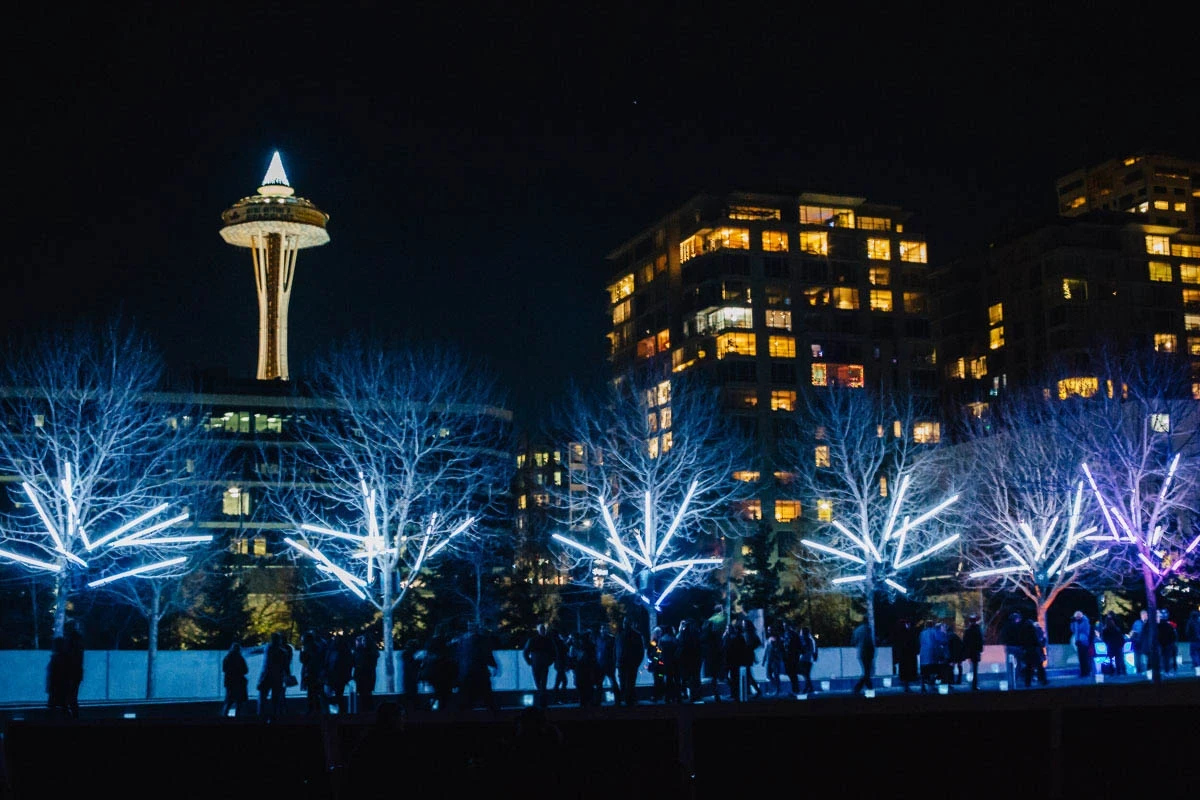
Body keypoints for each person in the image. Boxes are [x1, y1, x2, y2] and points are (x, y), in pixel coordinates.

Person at [456, 621, 499, 712]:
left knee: (466, 695)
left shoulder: (461, 640)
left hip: (466, 672)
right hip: (479, 670)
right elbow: (486, 654)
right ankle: (493, 713)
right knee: (486, 693)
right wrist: (494, 665)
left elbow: (459, 656)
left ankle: (464, 714)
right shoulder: (481, 639)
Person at [257, 631, 291, 721]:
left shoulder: (268, 648)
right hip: (278, 678)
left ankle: (261, 717)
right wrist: (288, 676)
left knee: (262, 698)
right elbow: (286, 667)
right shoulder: (283, 653)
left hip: (266, 677)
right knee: (275, 700)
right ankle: (274, 718)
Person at [522, 623, 558, 708]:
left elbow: (525, 652)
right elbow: (554, 652)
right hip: (539, 663)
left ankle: (542, 699)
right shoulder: (545, 640)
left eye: (544, 630)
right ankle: (542, 699)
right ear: (539, 630)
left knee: (541, 682)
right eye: (542, 629)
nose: (543, 631)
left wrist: (529, 661)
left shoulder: (536, 640)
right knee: (540, 682)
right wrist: (529, 661)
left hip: (538, 663)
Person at [616, 617, 645, 706]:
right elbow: (616, 649)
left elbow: (640, 651)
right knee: (625, 682)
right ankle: (628, 699)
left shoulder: (635, 635)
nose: (625, 624)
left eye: (627, 622)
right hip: (623, 663)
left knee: (629, 682)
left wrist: (637, 662)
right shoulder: (620, 635)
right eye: (625, 622)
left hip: (630, 663)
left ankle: (628, 700)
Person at [300, 630, 329, 715]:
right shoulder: (316, 647)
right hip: (315, 674)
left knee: (312, 692)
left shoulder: (309, 649)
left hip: (312, 674)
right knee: (315, 692)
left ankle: (313, 711)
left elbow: (303, 660)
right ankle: (317, 710)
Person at [325, 633, 355, 711]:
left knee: (334, 695)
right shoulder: (345, 652)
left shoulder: (332, 651)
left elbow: (327, 663)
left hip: (335, 677)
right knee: (338, 695)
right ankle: (340, 712)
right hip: (337, 677)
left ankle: (337, 711)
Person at [46, 636, 74, 718]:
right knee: (62, 705)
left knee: (54, 705)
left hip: (56, 686)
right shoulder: (64, 658)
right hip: (61, 686)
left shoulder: (57, 658)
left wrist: (50, 686)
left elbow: (53, 674)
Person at [918, 620, 949, 692]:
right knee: (933, 670)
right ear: (932, 625)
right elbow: (941, 640)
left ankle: (923, 686)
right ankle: (931, 685)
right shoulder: (935, 632)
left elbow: (919, 642)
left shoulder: (922, 633)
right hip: (932, 654)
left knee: (924, 671)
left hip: (923, 654)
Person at [352, 634, 379, 713]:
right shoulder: (370, 652)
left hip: (365, 676)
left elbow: (357, 663)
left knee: (365, 695)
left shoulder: (364, 652)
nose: (363, 642)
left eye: (364, 641)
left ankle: (367, 712)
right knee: (365, 695)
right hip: (366, 676)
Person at [221, 642, 249, 717]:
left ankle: (224, 716)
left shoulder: (227, 658)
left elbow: (224, 669)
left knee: (228, 701)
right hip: (240, 683)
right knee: (239, 702)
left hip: (230, 683)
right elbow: (246, 670)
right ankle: (237, 717)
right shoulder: (240, 658)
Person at [891, 618, 919, 692]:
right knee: (907, 670)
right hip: (907, 655)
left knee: (905, 670)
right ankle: (906, 685)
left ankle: (906, 685)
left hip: (905, 655)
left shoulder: (902, 633)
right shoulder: (906, 633)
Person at [63, 621, 84, 719]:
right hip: (76, 673)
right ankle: (75, 717)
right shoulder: (79, 641)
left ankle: (73, 718)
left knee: (70, 697)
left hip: (71, 673)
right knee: (73, 696)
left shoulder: (71, 641)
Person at [594, 623, 619, 704]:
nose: (603, 630)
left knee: (611, 682)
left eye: (604, 629)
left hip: (608, 664)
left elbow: (614, 651)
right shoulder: (600, 638)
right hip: (602, 664)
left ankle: (617, 699)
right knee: (601, 683)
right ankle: (598, 700)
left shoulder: (610, 639)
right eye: (602, 629)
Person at [1001, 612, 1025, 687]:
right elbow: (1020, 637)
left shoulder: (1006, 626)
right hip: (1017, 647)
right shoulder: (1018, 627)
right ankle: (1016, 677)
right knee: (1019, 663)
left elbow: (1003, 636)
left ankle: (1010, 677)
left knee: (1009, 663)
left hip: (1009, 647)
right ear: (1016, 619)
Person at [852, 619, 875, 694]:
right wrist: (872, 652)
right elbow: (869, 641)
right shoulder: (867, 629)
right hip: (867, 653)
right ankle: (861, 688)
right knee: (867, 672)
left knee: (866, 672)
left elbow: (853, 642)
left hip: (861, 653)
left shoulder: (857, 630)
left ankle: (865, 688)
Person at [762, 624, 785, 697]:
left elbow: (781, 650)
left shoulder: (778, 639)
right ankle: (777, 687)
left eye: (770, 630)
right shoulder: (768, 639)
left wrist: (776, 649)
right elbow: (766, 650)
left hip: (775, 660)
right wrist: (764, 660)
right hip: (769, 659)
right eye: (768, 630)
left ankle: (777, 689)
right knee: (768, 675)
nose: (769, 631)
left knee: (776, 674)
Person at [963, 614, 984, 691]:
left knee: (972, 668)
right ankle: (974, 685)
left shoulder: (968, 630)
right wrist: (980, 649)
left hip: (970, 651)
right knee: (975, 668)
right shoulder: (978, 629)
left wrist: (965, 652)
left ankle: (971, 683)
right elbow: (980, 640)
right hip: (975, 651)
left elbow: (965, 642)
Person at [1069, 611, 1093, 678]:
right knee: (1081, 658)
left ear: (1080, 616)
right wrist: (1072, 623)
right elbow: (1073, 630)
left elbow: (1082, 629)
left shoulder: (1085, 621)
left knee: (1085, 658)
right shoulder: (1077, 622)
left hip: (1084, 641)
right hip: (1078, 642)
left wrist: (1076, 623)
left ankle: (1087, 672)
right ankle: (1083, 672)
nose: (1076, 618)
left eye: (1077, 617)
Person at [797, 626, 818, 695]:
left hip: (805, 658)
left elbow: (803, 648)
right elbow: (815, 649)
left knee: (805, 674)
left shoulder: (806, 639)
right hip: (809, 659)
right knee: (806, 674)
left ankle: (808, 687)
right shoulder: (811, 639)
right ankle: (809, 687)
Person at [1157, 609, 1178, 675]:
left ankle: (1162, 670)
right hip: (1168, 644)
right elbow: (1174, 636)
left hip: (1161, 644)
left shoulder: (1158, 626)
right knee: (1167, 658)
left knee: (1161, 658)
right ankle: (1167, 670)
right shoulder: (1170, 625)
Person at [1130, 609, 1150, 673]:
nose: (1145, 616)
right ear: (1141, 615)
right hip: (1138, 645)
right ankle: (1139, 673)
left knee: (1148, 660)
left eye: (1146, 615)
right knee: (1138, 661)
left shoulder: (1149, 623)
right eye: (1144, 615)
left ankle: (1148, 672)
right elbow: (1133, 632)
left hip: (1146, 645)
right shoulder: (1137, 623)